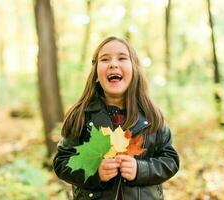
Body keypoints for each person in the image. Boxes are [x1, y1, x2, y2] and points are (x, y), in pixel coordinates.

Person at [53, 36, 179, 200]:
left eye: (122, 58)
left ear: (134, 70)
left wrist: (141, 169)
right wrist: (95, 172)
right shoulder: (81, 116)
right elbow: (62, 162)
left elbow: (170, 160)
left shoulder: (152, 116)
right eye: (105, 59)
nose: (113, 64)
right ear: (96, 74)